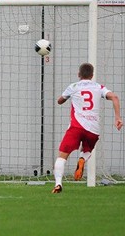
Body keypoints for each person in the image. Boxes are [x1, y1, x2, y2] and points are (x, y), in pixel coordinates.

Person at [52, 62, 122, 193]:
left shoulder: (73, 86)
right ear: (92, 75)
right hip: (93, 129)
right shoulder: (98, 87)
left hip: (76, 127)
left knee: (62, 156)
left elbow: (59, 101)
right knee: (88, 149)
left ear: (79, 74)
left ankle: (58, 184)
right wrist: (118, 117)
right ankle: (82, 159)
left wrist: (66, 97)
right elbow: (114, 97)